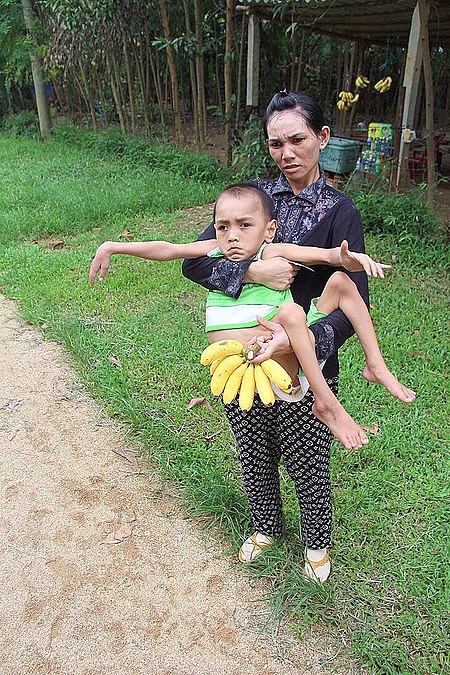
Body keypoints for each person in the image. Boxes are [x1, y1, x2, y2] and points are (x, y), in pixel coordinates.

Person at [90, 179, 415, 581]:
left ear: (269, 229)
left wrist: (344, 257)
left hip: (286, 362)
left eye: (244, 226)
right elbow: (169, 250)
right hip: (238, 373)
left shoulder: (275, 250)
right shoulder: (214, 253)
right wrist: (113, 246)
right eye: (222, 226)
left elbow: (322, 254)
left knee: (322, 302)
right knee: (254, 457)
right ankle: (266, 528)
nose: (232, 235)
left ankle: (348, 387)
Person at [182, 90, 415, 582]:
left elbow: (355, 303)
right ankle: (265, 525)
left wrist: (300, 339)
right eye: (275, 144)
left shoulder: (339, 211)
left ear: (323, 139)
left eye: (297, 140)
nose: (286, 154)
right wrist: (251, 275)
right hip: (242, 351)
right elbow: (196, 261)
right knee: (253, 447)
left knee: (307, 459)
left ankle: (316, 543)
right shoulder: (252, 200)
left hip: (302, 357)